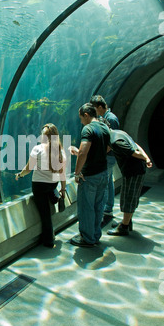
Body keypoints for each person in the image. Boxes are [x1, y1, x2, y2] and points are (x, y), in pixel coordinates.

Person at [16, 123, 66, 248]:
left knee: (45, 214)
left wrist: (20, 175)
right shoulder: (60, 151)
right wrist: (63, 189)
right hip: (53, 185)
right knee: (50, 194)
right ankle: (53, 196)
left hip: (39, 186)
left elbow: (28, 168)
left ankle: (49, 241)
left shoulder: (37, 149)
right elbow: (62, 173)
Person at [69, 103, 110, 247]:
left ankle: (86, 238)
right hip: (103, 173)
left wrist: (77, 172)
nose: (81, 122)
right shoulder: (104, 127)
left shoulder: (88, 128)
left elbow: (83, 151)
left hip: (90, 176)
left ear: (86, 115)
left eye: (81, 118)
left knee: (87, 207)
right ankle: (95, 235)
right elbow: (109, 146)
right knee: (99, 206)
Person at [106, 130, 152, 236]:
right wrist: (147, 157)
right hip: (133, 170)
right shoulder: (119, 133)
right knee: (128, 196)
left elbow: (134, 152)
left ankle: (124, 227)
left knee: (129, 198)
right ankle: (127, 221)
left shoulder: (116, 141)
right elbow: (136, 145)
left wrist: (146, 159)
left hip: (134, 171)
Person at [90, 95, 120, 223]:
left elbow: (111, 141)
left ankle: (105, 209)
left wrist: (100, 154)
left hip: (108, 157)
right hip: (108, 156)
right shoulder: (105, 117)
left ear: (100, 107)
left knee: (105, 184)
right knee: (108, 182)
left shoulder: (111, 119)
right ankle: (108, 207)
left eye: (94, 109)